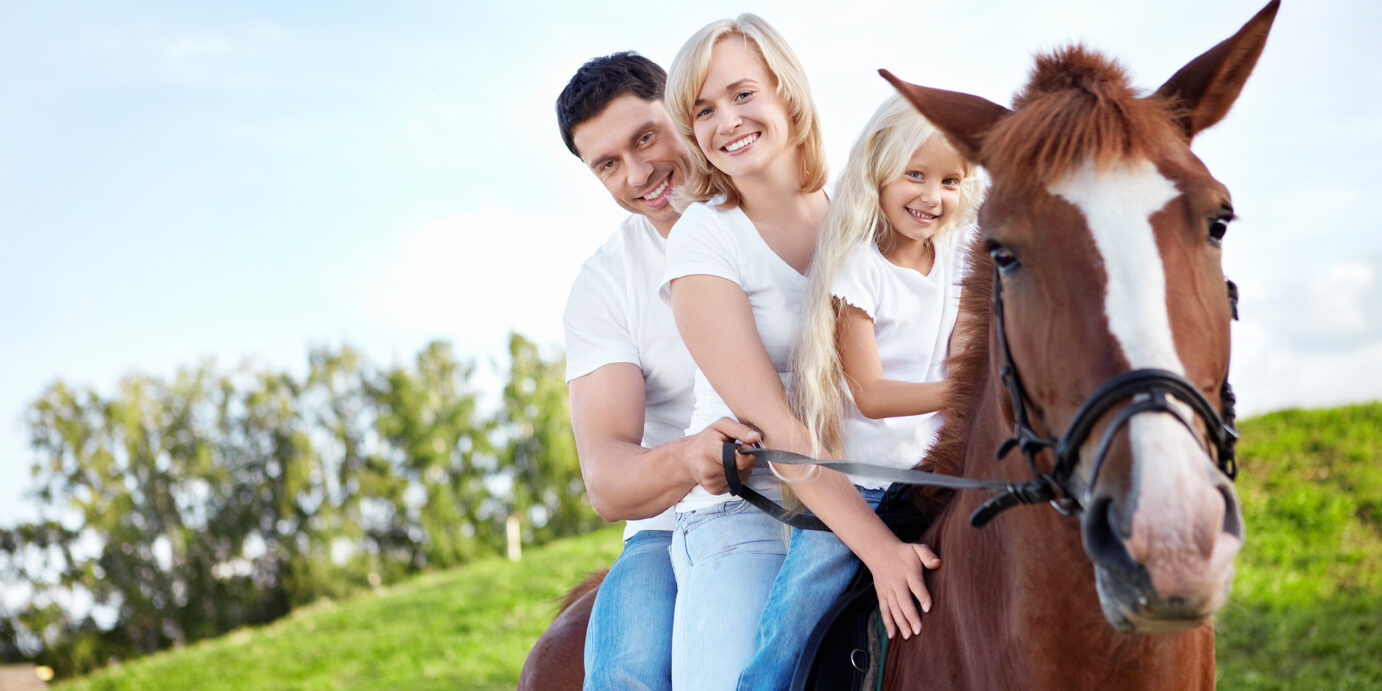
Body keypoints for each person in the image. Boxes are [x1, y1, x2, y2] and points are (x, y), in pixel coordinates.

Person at [738, 95, 985, 689]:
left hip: (935, 474)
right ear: (878, 173)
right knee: (799, 610)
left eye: (950, 180)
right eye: (915, 175)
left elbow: (970, 354)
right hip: (866, 482)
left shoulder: (957, 260)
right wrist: (961, 393)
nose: (933, 196)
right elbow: (871, 394)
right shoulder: (859, 270)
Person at [555, 51, 762, 691]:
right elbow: (610, 481)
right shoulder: (604, 285)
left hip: (832, 480)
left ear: (679, 108)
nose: (639, 174)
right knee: (626, 675)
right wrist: (690, 456)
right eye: (608, 165)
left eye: (646, 137)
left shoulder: (778, 206)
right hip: (673, 519)